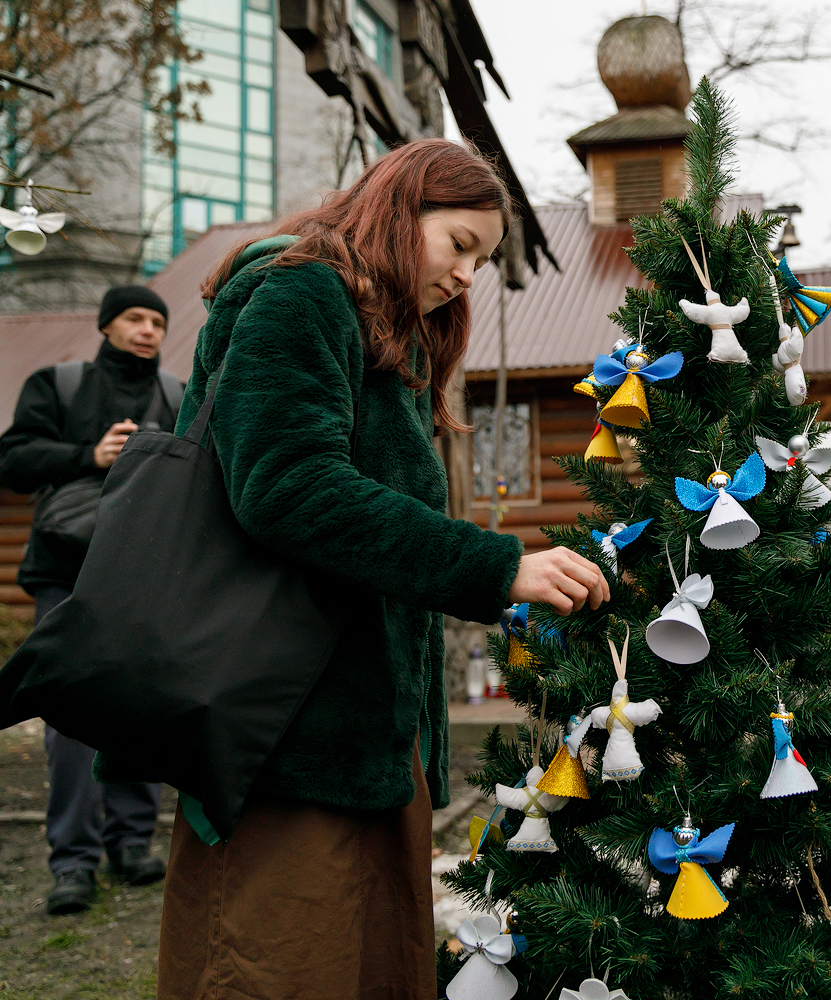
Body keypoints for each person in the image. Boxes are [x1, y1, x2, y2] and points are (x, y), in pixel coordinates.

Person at [150, 139, 608, 998]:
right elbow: (287, 487)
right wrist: (495, 564)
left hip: (365, 733)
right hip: (284, 730)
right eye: (460, 244)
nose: (469, 274)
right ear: (400, 210)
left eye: (484, 256)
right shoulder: (299, 293)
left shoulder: (381, 329)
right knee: (272, 967)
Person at [0, 285, 179, 915]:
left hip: (145, 578)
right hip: (67, 570)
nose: (148, 329)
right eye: (134, 317)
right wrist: (91, 454)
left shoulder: (176, 397)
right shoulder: (61, 384)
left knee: (140, 707)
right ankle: (71, 861)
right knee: (70, 719)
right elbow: (13, 460)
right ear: (106, 326)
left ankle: (131, 844)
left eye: (158, 320)